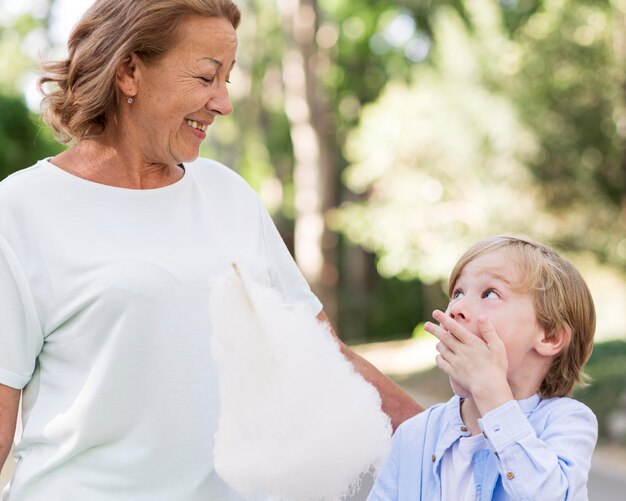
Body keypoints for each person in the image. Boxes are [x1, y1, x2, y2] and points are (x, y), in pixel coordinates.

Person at [0, 0, 422, 499]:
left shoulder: (229, 196)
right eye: (205, 78)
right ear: (129, 71)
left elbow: (326, 358)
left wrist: (451, 437)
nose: (223, 102)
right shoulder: (21, 209)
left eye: (227, 78)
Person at [368, 236, 598, 500]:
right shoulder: (414, 435)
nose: (457, 308)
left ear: (549, 337)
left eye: (490, 293)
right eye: (457, 293)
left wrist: (493, 396)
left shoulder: (566, 422)